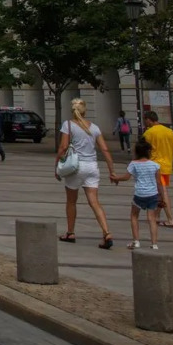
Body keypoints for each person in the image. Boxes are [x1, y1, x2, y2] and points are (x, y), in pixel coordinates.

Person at [56, 97, 118, 248]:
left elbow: (63, 147)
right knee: (94, 202)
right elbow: (104, 149)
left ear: (72, 110)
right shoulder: (95, 128)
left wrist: (57, 166)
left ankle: (70, 232)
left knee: (71, 201)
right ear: (85, 110)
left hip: (76, 167)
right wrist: (112, 171)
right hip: (92, 167)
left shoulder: (68, 125)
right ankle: (106, 232)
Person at [111, 139, 162, 249]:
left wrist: (116, 178)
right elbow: (159, 182)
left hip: (140, 194)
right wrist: (161, 196)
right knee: (152, 219)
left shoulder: (133, 164)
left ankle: (136, 241)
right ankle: (154, 244)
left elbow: (126, 177)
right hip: (153, 194)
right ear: (149, 152)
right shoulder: (155, 165)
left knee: (134, 216)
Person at [140, 110, 173, 228]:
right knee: (159, 193)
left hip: (155, 167)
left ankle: (170, 219)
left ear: (148, 120)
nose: (145, 122)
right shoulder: (169, 131)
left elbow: (141, 149)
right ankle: (156, 216)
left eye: (145, 120)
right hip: (166, 167)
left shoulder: (149, 133)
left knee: (163, 192)